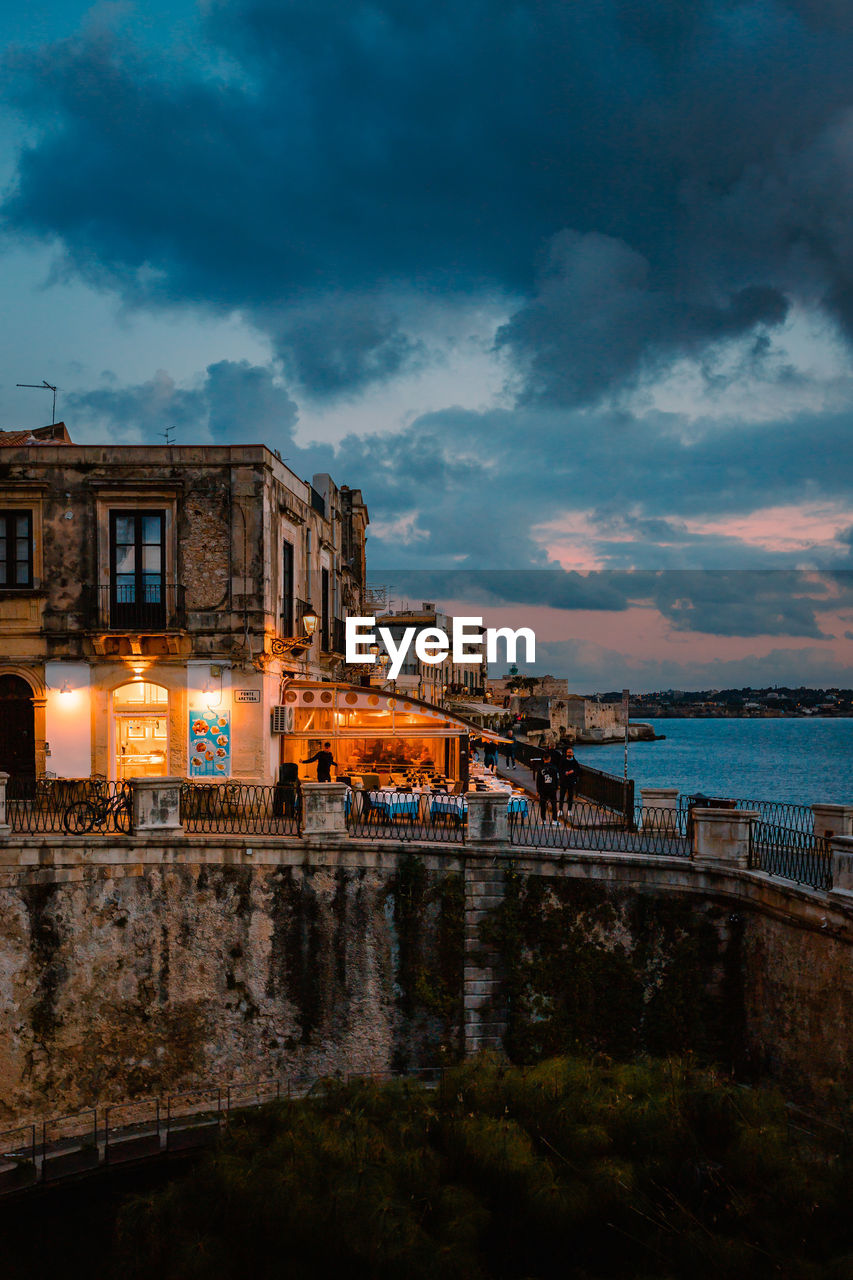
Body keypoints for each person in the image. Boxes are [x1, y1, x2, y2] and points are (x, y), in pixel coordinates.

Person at [536, 749, 560, 823]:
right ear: (549, 759)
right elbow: (556, 779)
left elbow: (538, 780)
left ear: (543, 759)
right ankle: (554, 820)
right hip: (552, 788)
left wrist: (538, 790)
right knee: (553, 804)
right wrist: (557, 787)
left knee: (543, 804)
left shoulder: (540, 768)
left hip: (543, 788)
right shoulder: (554, 768)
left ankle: (543, 820)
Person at [559, 746, 582, 820]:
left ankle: (569, 810)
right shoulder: (562, 761)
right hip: (564, 781)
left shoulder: (575, 762)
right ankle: (560, 809)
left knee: (570, 796)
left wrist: (573, 771)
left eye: (571, 752)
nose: (570, 754)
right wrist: (564, 773)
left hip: (571, 781)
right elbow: (559, 770)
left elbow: (578, 771)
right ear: (566, 753)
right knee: (562, 796)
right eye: (569, 752)